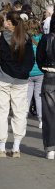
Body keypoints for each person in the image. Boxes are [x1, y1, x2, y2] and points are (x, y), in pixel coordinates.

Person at [0, 11, 34, 158]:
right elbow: (30, 60)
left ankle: (1, 147)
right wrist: (23, 73)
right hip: (21, 81)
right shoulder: (26, 38)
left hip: (1, 77)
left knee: (1, 111)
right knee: (19, 112)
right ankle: (16, 147)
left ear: (8, 23)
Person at [36, 15, 55, 159]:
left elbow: (39, 59)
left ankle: (50, 148)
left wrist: (46, 69)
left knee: (49, 114)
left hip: (49, 75)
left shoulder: (45, 38)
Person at [27, 19, 44, 129]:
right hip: (40, 71)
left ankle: (23, 117)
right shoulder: (42, 38)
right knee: (38, 97)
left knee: (27, 97)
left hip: (29, 72)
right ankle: (41, 119)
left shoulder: (26, 40)